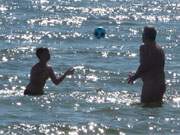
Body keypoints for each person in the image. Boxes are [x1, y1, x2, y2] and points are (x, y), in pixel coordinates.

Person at [128, 26, 166, 105]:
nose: (142, 35)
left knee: (145, 109)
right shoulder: (160, 49)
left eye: (143, 33)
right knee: (155, 110)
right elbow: (151, 66)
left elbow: (144, 65)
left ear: (146, 35)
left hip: (150, 86)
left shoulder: (144, 47)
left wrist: (134, 77)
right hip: (161, 85)